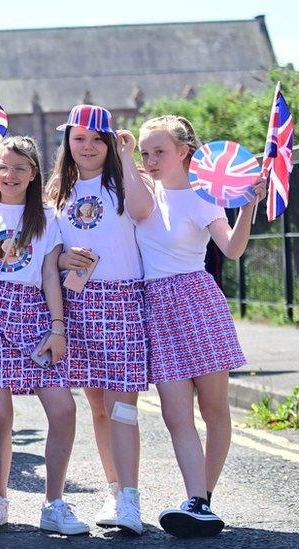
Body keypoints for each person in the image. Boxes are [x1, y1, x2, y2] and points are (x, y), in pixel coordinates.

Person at [0, 136, 89, 536]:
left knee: (63, 410)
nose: (10, 175)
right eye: (3, 167)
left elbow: (50, 275)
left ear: (33, 174)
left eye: (20, 168)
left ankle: (54, 502)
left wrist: (58, 328)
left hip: (34, 316)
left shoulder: (47, 217)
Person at [135, 115, 265, 538]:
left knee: (213, 410)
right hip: (155, 306)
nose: (151, 160)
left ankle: (201, 497)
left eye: (160, 151)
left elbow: (232, 249)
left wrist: (247, 205)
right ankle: (197, 500)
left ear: (184, 152)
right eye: (146, 152)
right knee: (176, 415)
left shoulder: (206, 198)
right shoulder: (139, 194)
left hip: (197, 304)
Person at [48, 105, 153, 535]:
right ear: (68, 143)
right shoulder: (57, 189)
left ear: (110, 141)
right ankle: (114, 490)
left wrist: (128, 156)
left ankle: (131, 499)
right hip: (79, 303)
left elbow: (144, 211)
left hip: (123, 299)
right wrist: (61, 259)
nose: (87, 147)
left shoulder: (125, 181)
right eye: (79, 139)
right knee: (97, 407)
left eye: (97, 139)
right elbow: (47, 250)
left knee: (122, 406)